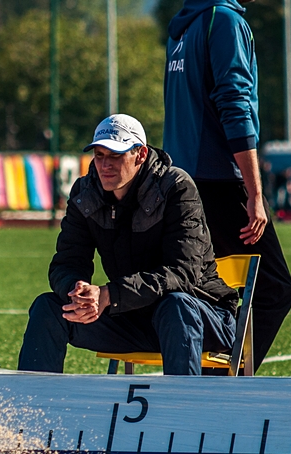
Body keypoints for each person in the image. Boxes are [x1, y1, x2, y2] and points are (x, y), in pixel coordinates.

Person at [17, 114, 240, 375]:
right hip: (132, 317)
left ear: (141, 154)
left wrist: (110, 295)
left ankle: (183, 411)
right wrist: (76, 290)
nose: (105, 165)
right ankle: (31, 410)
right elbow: (67, 262)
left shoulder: (176, 187)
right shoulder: (85, 192)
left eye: (115, 155)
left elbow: (182, 274)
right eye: (99, 155)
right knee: (49, 308)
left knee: (175, 304)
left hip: (202, 314)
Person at [163, 0, 291, 371]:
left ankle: (202, 376)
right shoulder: (224, 21)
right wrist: (255, 193)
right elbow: (234, 105)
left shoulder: (183, 27)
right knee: (273, 289)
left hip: (182, 180)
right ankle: (220, 379)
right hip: (219, 181)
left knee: (208, 287)